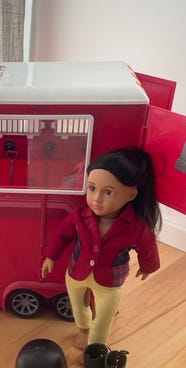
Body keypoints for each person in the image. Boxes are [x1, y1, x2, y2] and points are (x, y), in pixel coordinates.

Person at [41, 147, 161, 350]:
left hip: (110, 282)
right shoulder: (80, 216)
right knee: (78, 307)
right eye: (92, 188)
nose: (96, 198)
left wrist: (148, 266)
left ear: (131, 194)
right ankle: (83, 329)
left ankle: (95, 348)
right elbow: (61, 235)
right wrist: (50, 256)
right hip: (76, 274)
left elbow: (148, 248)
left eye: (108, 192)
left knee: (104, 319)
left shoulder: (136, 227)